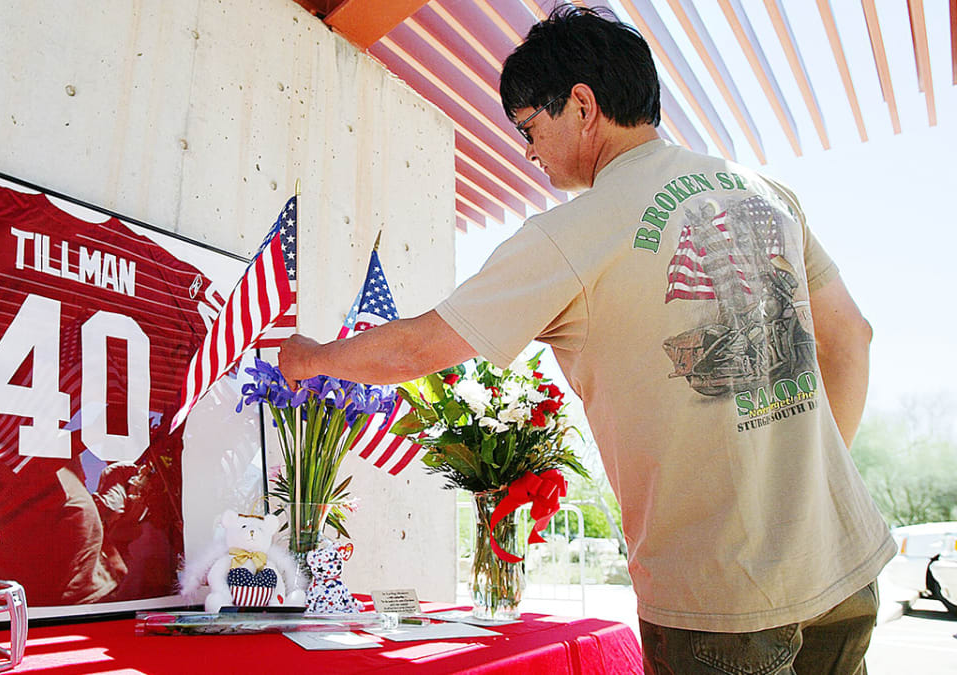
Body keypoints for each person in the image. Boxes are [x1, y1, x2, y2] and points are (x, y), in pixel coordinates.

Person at [278, 4, 894, 673]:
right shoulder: (766, 191)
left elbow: (417, 349)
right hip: (841, 561)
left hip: (724, 593)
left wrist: (312, 357)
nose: (528, 152)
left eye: (529, 127)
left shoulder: (571, 232)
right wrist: (799, 491)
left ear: (581, 104)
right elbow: (852, 337)